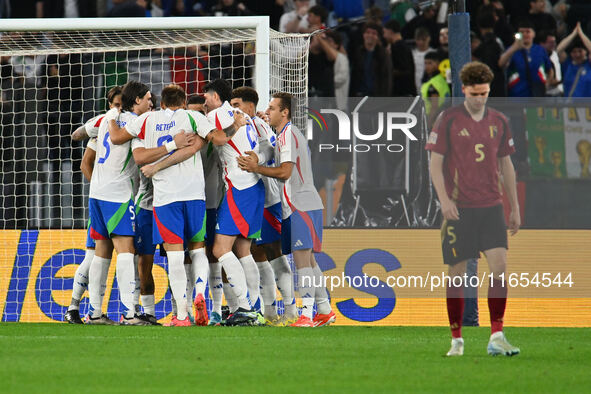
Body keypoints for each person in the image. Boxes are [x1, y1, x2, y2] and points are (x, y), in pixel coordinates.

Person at [426, 61, 520, 357]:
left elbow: (506, 164)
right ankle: (457, 340)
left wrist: (514, 207)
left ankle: (497, 335)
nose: (480, 99)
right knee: (456, 273)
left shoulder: (499, 121)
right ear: (463, 89)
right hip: (460, 208)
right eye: (475, 93)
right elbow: (435, 163)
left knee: (500, 268)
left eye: (485, 93)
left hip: (491, 206)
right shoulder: (449, 119)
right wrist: (444, 200)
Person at [112, 84, 223, 326]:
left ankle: (181, 315)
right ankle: (201, 292)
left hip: (165, 198)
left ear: (161, 104)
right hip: (195, 195)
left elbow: (121, 140)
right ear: (184, 103)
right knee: (197, 250)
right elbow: (214, 138)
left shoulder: (147, 120)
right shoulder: (194, 117)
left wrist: (112, 114)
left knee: (174, 256)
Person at [237, 92, 335, 328]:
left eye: (272, 108)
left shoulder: (288, 134)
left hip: (300, 204)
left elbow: (285, 172)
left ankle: (306, 315)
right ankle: (324, 310)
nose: (267, 111)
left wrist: (256, 168)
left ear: (285, 112)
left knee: (302, 261)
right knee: (309, 261)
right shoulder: (282, 134)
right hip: (300, 204)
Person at [83, 81, 152, 325]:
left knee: (101, 253)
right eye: (148, 99)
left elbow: (82, 132)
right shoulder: (135, 122)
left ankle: (93, 312)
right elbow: (119, 140)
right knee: (126, 251)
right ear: (136, 101)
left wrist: (111, 115)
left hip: (96, 193)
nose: (151, 104)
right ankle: (129, 313)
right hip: (117, 194)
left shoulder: (106, 117)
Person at [230, 86, 298, 324]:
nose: (233, 110)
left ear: (250, 106)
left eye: (237, 105)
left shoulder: (257, 124)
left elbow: (267, 150)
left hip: (268, 199)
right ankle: (269, 312)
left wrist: (256, 160)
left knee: (275, 255)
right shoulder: (253, 122)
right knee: (258, 255)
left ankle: (291, 310)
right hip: (252, 199)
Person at [64, 87, 123, 324]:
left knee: (107, 257)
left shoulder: (127, 126)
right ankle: (74, 307)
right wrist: (100, 185)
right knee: (93, 256)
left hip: (120, 198)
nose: (119, 109)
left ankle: (94, 310)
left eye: (122, 104)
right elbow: (84, 164)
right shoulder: (102, 128)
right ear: (109, 105)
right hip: (106, 200)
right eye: (116, 104)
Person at [499, 20, 554, 97]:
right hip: (517, 94)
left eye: (528, 32)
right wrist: (514, 47)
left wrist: (547, 83)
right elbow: (501, 64)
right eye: (521, 32)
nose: (525, 34)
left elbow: (550, 69)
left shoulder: (540, 50)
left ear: (533, 34)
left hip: (537, 94)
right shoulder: (511, 50)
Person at [350, 22, 392, 97]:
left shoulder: (383, 54)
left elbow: (387, 78)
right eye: (367, 32)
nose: (370, 35)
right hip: (359, 95)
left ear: (378, 37)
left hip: (376, 97)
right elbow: (353, 76)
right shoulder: (358, 52)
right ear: (363, 35)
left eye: (374, 33)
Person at [557, 22, 591, 98]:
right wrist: (574, 34)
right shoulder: (567, 64)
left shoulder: (588, 65)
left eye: (580, 51)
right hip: (570, 106)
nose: (577, 54)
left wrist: (581, 34)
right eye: (574, 52)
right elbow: (559, 50)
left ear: (585, 52)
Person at [383, 19, 416, 97]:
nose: (384, 36)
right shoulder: (405, 47)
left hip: (401, 93)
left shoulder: (397, 48)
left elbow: (404, 69)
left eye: (384, 32)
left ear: (390, 31)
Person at [412, 27, 435, 94]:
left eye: (423, 39)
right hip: (415, 89)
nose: (421, 42)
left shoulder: (434, 53)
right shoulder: (412, 54)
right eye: (418, 39)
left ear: (428, 38)